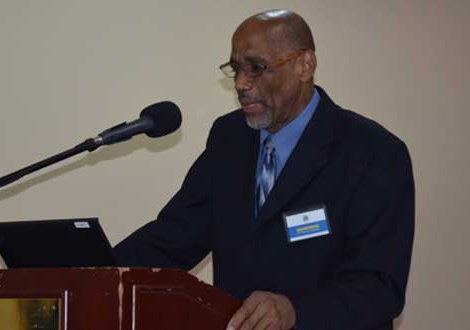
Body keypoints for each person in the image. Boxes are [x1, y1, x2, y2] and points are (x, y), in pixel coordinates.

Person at [114, 9, 414, 330]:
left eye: (256, 68)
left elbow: (380, 288)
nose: (241, 84)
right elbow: (173, 239)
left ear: (304, 65)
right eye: (236, 68)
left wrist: (295, 311)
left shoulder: (373, 153)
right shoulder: (230, 138)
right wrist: (82, 267)